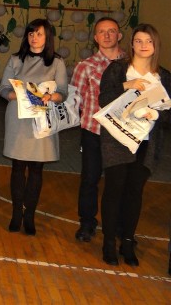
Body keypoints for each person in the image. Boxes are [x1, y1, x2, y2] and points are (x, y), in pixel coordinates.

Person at [98, 23, 170, 266]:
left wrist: (156, 115)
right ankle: (109, 242)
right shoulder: (118, 70)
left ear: (155, 45)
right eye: (138, 41)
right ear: (131, 44)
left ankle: (127, 242)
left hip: (146, 145)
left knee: (134, 194)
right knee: (113, 191)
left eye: (148, 41)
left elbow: (169, 113)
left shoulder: (164, 77)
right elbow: (104, 99)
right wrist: (125, 87)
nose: (143, 46)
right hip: (118, 141)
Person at [0, 19, 67, 235]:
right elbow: (3, 88)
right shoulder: (16, 59)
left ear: (47, 38)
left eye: (38, 34)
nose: (33, 38)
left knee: (36, 169)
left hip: (42, 120)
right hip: (19, 118)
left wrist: (50, 97)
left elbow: (63, 93)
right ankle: (17, 212)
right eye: (30, 34)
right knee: (18, 167)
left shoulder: (57, 63)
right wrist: (15, 95)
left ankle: (30, 215)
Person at [70, 17, 124, 242]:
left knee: (118, 183)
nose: (108, 35)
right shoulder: (85, 67)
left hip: (122, 135)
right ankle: (87, 223)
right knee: (90, 179)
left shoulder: (131, 66)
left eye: (112, 31)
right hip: (93, 132)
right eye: (102, 32)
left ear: (119, 35)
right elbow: (75, 100)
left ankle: (117, 225)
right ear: (96, 37)